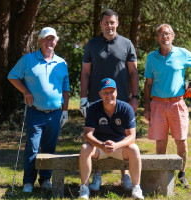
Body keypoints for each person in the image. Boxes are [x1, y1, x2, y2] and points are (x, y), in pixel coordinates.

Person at [80, 8, 139, 192]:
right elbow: (85, 72)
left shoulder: (127, 44)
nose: (109, 25)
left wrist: (135, 97)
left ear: (117, 23)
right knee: (96, 136)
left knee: (122, 138)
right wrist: (83, 97)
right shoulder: (92, 44)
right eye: (106, 22)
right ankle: (96, 175)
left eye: (112, 22)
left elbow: (133, 72)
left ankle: (125, 176)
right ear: (101, 24)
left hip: (121, 100)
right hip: (96, 101)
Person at [143, 24, 191, 188]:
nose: (164, 36)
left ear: (173, 36)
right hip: (157, 103)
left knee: (181, 141)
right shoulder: (151, 57)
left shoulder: (183, 53)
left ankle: (181, 174)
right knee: (160, 142)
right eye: (161, 34)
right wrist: (147, 107)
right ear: (157, 38)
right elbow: (148, 83)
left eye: (167, 33)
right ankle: (161, 175)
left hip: (177, 103)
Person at [7, 27, 70, 193]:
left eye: (52, 39)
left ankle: (45, 179)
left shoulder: (62, 62)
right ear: (40, 41)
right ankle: (28, 181)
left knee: (49, 148)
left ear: (56, 41)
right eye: (45, 39)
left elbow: (66, 89)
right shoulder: (28, 59)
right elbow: (12, 76)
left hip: (55, 113)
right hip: (35, 112)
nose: (49, 42)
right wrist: (25, 91)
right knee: (33, 148)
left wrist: (65, 111)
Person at [78, 78, 144, 200]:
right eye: (105, 92)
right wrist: (101, 145)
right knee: (85, 147)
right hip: (99, 148)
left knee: (134, 148)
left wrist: (116, 145)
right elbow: (87, 134)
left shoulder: (126, 108)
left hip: (119, 148)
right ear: (100, 94)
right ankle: (84, 188)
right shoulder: (93, 108)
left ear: (116, 92)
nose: (109, 95)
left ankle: (136, 188)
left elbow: (132, 136)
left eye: (111, 91)